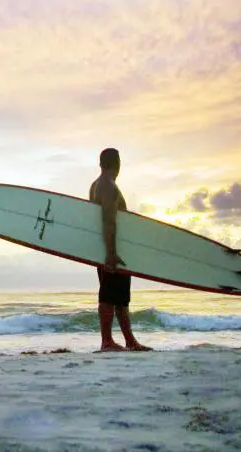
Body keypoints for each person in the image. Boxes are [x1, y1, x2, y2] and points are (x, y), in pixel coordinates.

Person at [89, 148, 150, 352]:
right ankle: (107, 341)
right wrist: (111, 253)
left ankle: (130, 340)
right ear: (118, 164)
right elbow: (108, 221)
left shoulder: (95, 185)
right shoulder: (109, 187)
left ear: (101, 164)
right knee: (108, 295)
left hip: (107, 249)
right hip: (112, 250)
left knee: (121, 298)